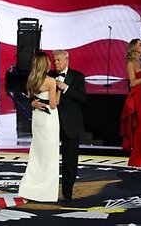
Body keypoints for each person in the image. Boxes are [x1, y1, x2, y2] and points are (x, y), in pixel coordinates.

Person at [33, 50, 87, 202]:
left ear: (66, 60)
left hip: (70, 125)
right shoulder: (47, 75)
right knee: (47, 158)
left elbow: (83, 98)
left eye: (58, 60)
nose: (55, 63)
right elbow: (31, 93)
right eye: (54, 60)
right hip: (50, 124)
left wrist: (66, 88)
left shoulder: (78, 76)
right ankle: (44, 190)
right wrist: (33, 103)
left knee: (70, 161)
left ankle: (67, 193)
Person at [18, 52, 61, 202]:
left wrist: (34, 103)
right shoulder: (51, 81)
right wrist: (59, 90)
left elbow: (31, 99)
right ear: (45, 64)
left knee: (37, 152)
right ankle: (45, 192)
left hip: (37, 118)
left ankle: (30, 189)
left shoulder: (31, 79)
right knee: (50, 154)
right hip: (49, 120)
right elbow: (54, 104)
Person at [120, 38, 141, 169]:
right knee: (140, 126)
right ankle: (136, 160)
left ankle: (139, 160)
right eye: (140, 45)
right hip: (137, 96)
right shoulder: (131, 63)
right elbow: (133, 83)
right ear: (134, 48)